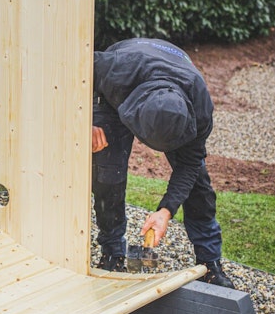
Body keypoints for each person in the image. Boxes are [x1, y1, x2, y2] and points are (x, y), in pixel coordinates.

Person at [91, 37, 234, 287]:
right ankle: (112, 250)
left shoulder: (199, 107)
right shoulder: (112, 68)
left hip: (173, 75)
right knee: (108, 171)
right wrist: (83, 119)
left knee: (198, 185)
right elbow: (68, 70)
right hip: (124, 82)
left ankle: (210, 262)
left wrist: (165, 211)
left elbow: (188, 166)